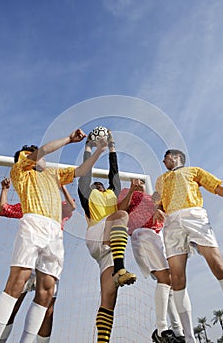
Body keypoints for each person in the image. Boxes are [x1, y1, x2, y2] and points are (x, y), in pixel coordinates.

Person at [0, 129, 108, 343]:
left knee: (47, 291)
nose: (43, 158)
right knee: (18, 281)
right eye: (37, 155)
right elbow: (43, 150)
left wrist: (100, 150)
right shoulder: (21, 170)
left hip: (55, 232)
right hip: (34, 223)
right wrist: (69, 139)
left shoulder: (53, 174)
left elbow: (81, 171)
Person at [154, 149, 223, 343]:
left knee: (217, 265)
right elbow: (157, 200)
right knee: (177, 277)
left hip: (194, 215)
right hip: (171, 223)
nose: (163, 161)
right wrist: (156, 209)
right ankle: (189, 337)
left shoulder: (194, 171)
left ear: (175, 157)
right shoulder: (161, 179)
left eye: (166, 158)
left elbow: (216, 187)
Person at [0, 177, 76, 342]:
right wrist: (4, 190)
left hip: (49, 263)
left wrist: (62, 187)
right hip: (29, 261)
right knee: (14, 302)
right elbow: (4, 210)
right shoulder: (30, 206)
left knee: (48, 309)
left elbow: (72, 206)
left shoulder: (59, 207)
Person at [78, 130, 136, 343]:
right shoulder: (87, 193)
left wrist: (112, 146)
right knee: (121, 214)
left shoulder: (113, 192)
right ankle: (121, 268)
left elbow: (114, 171)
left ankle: (103, 340)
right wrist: (88, 147)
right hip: (96, 234)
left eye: (99, 183)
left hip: (109, 248)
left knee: (109, 297)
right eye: (95, 183)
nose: (97, 184)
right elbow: (86, 174)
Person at [117, 178, 185, 343]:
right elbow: (121, 210)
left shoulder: (152, 198)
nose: (140, 182)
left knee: (169, 284)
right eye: (137, 180)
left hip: (158, 235)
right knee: (166, 278)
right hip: (143, 233)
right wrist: (132, 189)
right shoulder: (127, 192)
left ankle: (178, 331)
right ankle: (162, 331)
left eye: (141, 181)